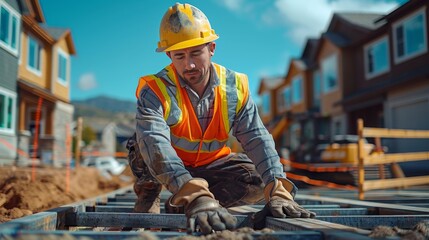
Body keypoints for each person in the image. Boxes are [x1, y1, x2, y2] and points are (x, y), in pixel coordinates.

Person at [127, 2, 316, 234]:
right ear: (169, 55)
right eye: (180, 56)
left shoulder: (233, 88)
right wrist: (195, 192)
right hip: (165, 167)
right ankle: (155, 197)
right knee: (142, 144)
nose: (190, 64)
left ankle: (189, 203)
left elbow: (257, 138)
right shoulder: (155, 90)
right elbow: (155, 142)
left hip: (211, 165)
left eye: (196, 52)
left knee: (256, 182)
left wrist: (278, 189)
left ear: (212, 48)